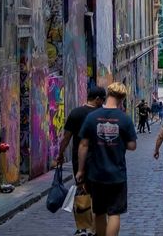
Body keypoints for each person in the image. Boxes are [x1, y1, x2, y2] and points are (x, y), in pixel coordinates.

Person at [77, 82, 137, 236]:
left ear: (108, 94)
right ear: (122, 99)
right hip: (116, 174)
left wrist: (80, 170)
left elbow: (83, 145)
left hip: (96, 174)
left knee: (99, 212)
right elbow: (132, 146)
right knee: (114, 213)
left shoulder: (92, 117)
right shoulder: (124, 119)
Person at [57, 86, 106, 236]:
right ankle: (94, 228)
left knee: (82, 192)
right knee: (97, 193)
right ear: (97, 99)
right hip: (100, 159)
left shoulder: (76, 113)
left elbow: (66, 137)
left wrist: (60, 155)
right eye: (102, 99)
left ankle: (83, 227)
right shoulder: (101, 114)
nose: (103, 102)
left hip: (80, 160)